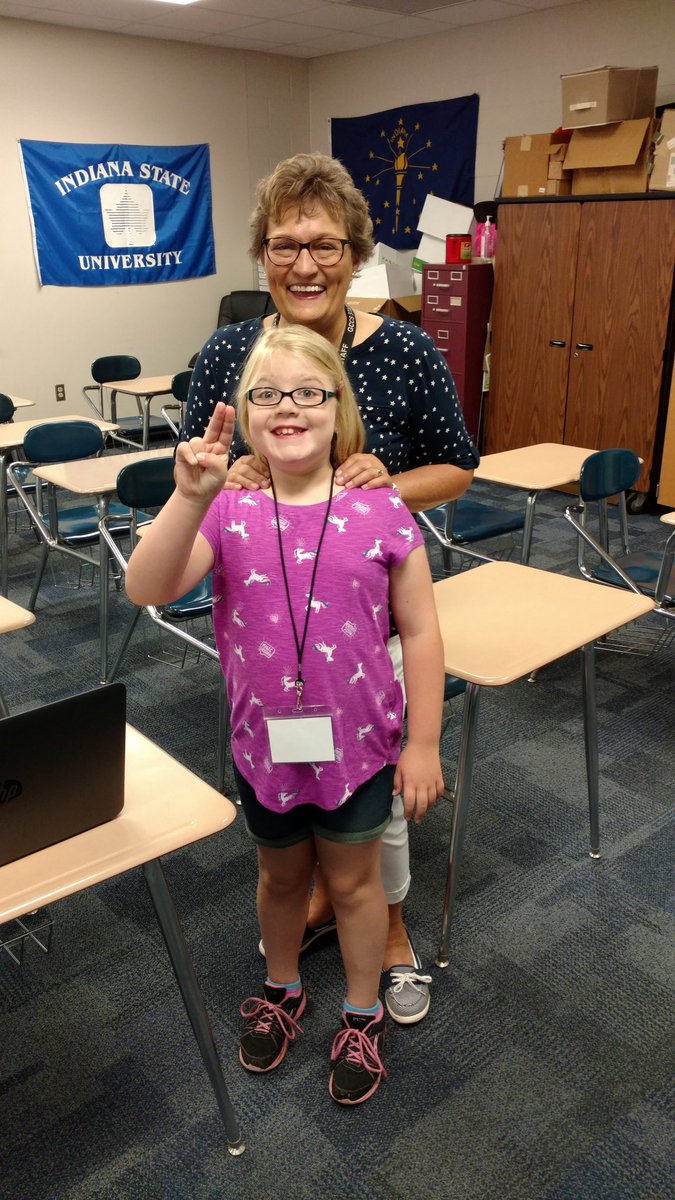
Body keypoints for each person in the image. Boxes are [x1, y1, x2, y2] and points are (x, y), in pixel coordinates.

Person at [182, 151, 479, 1025]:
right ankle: (317, 899)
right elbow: (205, 466)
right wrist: (229, 479)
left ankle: (384, 925)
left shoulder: (406, 351)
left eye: (323, 245)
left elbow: (457, 467)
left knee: (372, 805)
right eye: (282, 245)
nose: (303, 265)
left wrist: (383, 487)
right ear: (261, 255)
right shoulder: (232, 353)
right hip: (272, 626)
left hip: (363, 625)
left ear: (356, 252)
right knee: (289, 783)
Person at [128, 325, 445, 1104]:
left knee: (355, 884)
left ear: (340, 410)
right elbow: (145, 588)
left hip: (362, 750)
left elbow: (423, 631)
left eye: (308, 392)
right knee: (278, 878)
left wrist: (424, 743)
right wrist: (188, 495)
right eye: (266, 394)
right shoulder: (227, 512)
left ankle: (361, 1013)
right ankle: (282, 987)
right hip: (263, 750)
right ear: (243, 413)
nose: (288, 407)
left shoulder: (381, 510)